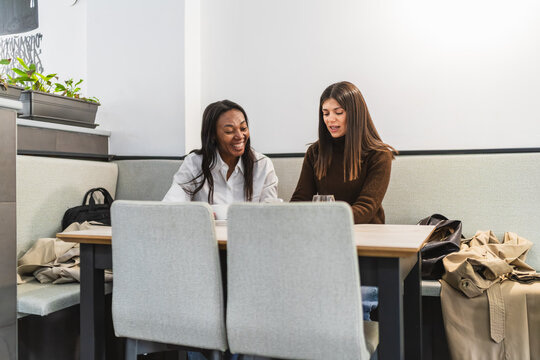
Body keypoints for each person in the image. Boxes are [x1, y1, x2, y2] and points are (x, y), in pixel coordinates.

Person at [290, 81, 397, 224]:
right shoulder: (315, 152)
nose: (330, 119)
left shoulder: (379, 155)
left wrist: (323, 217)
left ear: (355, 114)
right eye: (325, 113)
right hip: (325, 231)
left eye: (338, 112)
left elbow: (366, 208)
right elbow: (300, 201)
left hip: (367, 235)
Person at [163, 99, 278, 205]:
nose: (240, 136)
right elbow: (171, 206)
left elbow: (270, 215)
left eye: (243, 128)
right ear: (213, 135)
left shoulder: (263, 165)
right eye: (229, 131)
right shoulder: (194, 163)